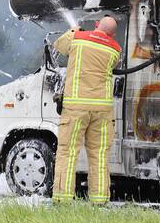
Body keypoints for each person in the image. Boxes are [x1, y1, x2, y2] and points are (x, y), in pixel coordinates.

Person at [51, 16, 122, 205]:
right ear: (113, 34)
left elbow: (59, 45)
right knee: (99, 155)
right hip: (102, 110)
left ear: (96, 25)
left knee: (67, 153)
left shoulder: (78, 39)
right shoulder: (115, 49)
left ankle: (62, 199)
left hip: (76, 108)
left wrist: (74, 29)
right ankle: (99, 201)